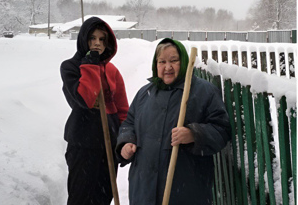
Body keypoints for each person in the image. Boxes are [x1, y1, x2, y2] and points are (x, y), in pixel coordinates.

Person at [115, 38, 231, 205]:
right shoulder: (144, 94)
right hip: (144, 190)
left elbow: (222, 130)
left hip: (186, 191)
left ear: (183, 61)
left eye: (173, 61)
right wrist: (126, 142)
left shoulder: (204, 92)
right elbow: (129, 123)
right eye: (162, 61)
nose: (167, 67)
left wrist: (194, 134)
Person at [60, 17, 129, 205]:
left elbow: (123, 109)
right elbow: (84, 99)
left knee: (103, 197)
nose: (97, 43)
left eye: (102, 39)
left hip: (109, 143)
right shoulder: (70, 67)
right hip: (83, 143)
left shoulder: (112, 70)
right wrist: (91, 64)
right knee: (80, 197)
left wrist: (123, 140)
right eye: (92, 38)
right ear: (84, 40)